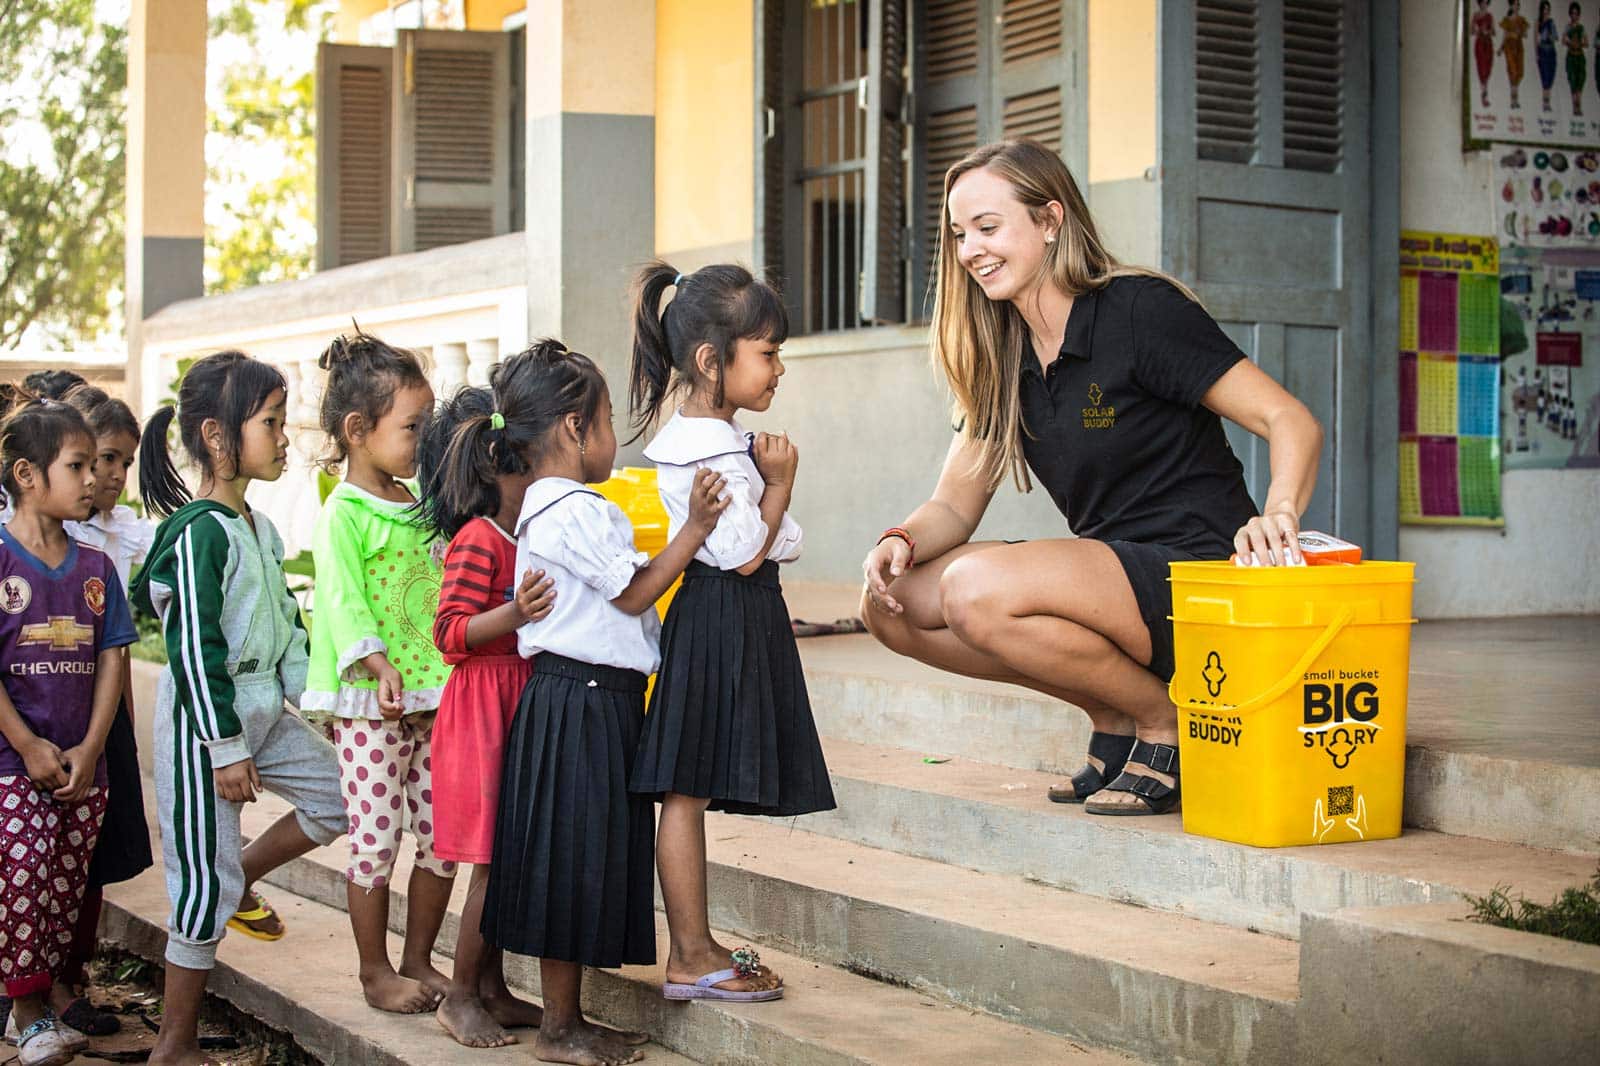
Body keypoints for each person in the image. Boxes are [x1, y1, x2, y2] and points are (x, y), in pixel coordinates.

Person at [859, 140, 1322, 817]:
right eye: (959, 235)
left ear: (1050, 220)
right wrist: (899, 539)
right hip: (1110, 579)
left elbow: (1290, 420)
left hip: (1196, 574)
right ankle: (1113, 711)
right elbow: (954, 507)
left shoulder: (1139, 311)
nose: (970, 251)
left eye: (988, 227)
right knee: (888, 606)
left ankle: (1165, 720)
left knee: (974, 589)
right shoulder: (1002, 352)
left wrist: (1279, 512)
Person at [480, 339, 722, 1065]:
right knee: (572, 858)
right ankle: (560, 1027)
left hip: (590, 699)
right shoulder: (572, 510)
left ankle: (570, 1019)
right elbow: (635, 592)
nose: (615, 436)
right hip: (578, 703)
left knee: (585, 856)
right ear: (574, 428)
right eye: (610, 420)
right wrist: (696, 529)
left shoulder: (558, 508)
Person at [130, 351, 346, 1066]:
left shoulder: (261, 529)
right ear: (218, 437)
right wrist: (225, 748)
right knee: (202, 890)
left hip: (263, 716)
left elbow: (288, 634)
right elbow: (195, 650)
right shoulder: (199, 533)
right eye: (271, 423)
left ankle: (243, 875)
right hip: (205, 732)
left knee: (342, 795)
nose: (284, 438)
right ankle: (173, 1045)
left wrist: (322, 709)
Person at [626, 262, 834, 1002]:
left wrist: (770, 506)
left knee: (691, 785)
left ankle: (696, 947)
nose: (779, 369)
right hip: (719, 617)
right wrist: (779, 485)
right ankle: (691, 953)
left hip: (733, 614)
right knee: (685, 788)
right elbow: (749, 551)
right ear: (713, 360)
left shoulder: (722, 438)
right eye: (768, 352)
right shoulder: (704, 449)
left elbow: (783, 542)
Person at [301, 332, 453, 1015]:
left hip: (432, 699)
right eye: (412, 427)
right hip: (371, 705)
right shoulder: (343, 513)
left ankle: (419, 959)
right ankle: (374, 971)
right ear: (358, 430)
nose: (424, 438)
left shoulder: (420, 502)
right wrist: (376, 661)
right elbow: (341, 598)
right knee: (375, 840)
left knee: (441, 839)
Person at [413, 384, 555, 1048]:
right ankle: (462, 994)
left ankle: (493, 989)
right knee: (490, 862)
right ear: (503, 466)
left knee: (508, 856)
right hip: (481, 713)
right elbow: (450, 633)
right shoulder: (478, 539)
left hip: (513, 700)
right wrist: (514, 613)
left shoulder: (521, 533)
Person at [0, 400, 133, 1066]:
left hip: (85, 767)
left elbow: (112, 657)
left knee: (63, 888)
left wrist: (92, 746)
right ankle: (27, 1013)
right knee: (24, 875)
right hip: (12, 762)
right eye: (77, 466)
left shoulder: (95, 567)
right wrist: (27, 744)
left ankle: (37, 1011)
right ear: (27, 475)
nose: (93, 479)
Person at [53, 385, 155, 1035]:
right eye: (98, 460)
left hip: (101, 712)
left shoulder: (117, 536)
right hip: (44, 708)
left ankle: (70, 976)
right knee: (35, 851)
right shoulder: (38, 534)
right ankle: (28, 980)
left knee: (93, 853)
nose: (110, 476)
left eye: (121, 462)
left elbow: (119, 644)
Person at [1502, 0, 1530, 109]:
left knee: (1520, 73)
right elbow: (1505, 36)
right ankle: (1514, 100)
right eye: (1514, 4)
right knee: (1512, 71)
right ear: (1510, 6)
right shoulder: (1507, 20)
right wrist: (1501, 48)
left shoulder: (1521, 20)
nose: (1516, 6)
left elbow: (1525, 35)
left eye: (1518, 4)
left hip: (1519, 48)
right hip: (1509, 47)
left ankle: (1514, 97)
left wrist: (1520, 32)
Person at [1539, 0, 1559, 110]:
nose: (1546, 11)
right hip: (1543, 52)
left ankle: (1548, 103)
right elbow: (1537, 39)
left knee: (1550, 78)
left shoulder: (1551, 22)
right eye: (1544, 9)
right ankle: (1545, 103)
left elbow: (1556, 37)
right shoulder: (1539, 22)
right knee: (1545, 78)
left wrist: (1552, 37)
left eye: (1548, 9)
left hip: (1551, 52)